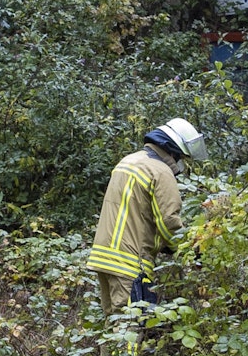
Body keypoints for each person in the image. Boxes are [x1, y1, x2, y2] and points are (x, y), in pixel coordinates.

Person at [86, 118, 205, 313]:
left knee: (115, 327)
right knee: (132, 328)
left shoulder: (130, 161)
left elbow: (137, 211)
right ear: (174, 151)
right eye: (182, 158)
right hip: (129, 262)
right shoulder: (160, 171)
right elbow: (168, 221)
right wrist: (189, 250)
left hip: (103, 256)